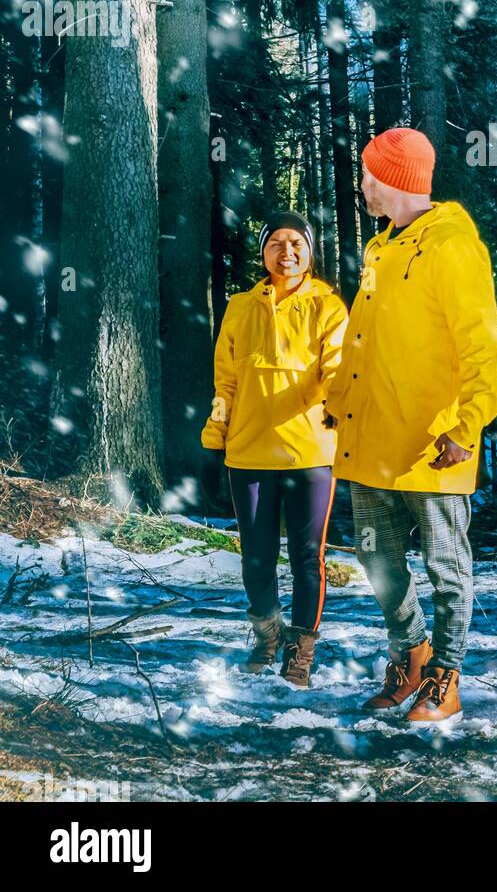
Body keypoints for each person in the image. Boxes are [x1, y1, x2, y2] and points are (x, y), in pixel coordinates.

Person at [325, 127, 497, 724]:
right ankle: (412, 658)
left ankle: (447, 676)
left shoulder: (452, 246)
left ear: (393, 179)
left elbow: (480, 344)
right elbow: (361, 341)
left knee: (446, 568)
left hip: (434, 443)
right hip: (372, 440)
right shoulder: (380, 250)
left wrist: (470, 422)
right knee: (377, 559)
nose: (363, 186)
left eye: (369, 175)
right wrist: (335, 401)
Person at [200, 211, 348, 689]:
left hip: (310, 452)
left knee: (308, 557)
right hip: (249, 452)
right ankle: (268, 636)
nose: (287, 252)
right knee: (256, 556)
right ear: (264, 253)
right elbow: (226, 376)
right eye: (276, 243)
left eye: (296, 244)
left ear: (309, 251)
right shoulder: (241, 307)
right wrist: (217, 424)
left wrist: (331, 401)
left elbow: (339, 368)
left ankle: (300, 652)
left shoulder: (328, 306)